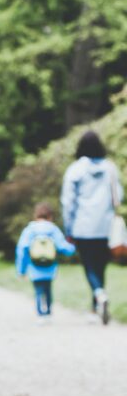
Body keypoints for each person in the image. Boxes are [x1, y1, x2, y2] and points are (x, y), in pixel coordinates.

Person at [61, 130, 123, 325]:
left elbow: (68, 202)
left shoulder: (75, 170)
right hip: (105, 226)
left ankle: (98, 296)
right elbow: (118, 197)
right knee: (101, 266)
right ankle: (97, 305)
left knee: (89, 266)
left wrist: (68, 228)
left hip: (83, 226)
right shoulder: (110, 168)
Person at [16, 202, 76, 325]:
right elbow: (64, 247)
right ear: (50, 216)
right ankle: (48, 313)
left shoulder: (30, 230)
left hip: (34, 268)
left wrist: (21, 270)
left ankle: (40, 315)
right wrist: (74, 247)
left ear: (35, 215)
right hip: (50, 268)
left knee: (38, 291)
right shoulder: (53, 229)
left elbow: (22, 250)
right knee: (48, 290)